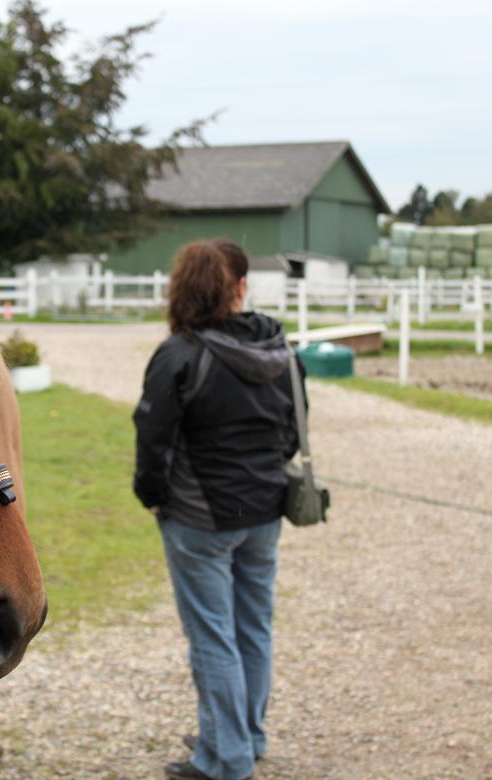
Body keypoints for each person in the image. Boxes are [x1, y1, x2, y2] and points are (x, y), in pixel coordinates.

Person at [132, 238, 300, 780]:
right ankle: (243, 736)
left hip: (199, 520)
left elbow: (153, 437)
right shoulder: (281, 350)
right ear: (240, 289)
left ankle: (225, 759)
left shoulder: (179, 355)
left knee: (213, 637)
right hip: (264, 511)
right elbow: (294, 431)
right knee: (254, 628)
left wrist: (152, 494)